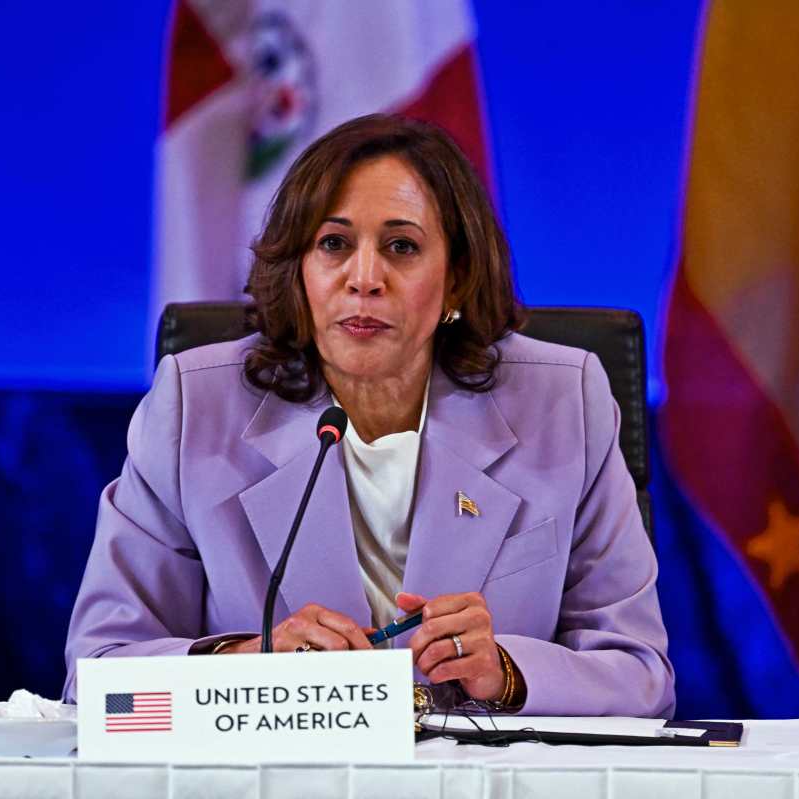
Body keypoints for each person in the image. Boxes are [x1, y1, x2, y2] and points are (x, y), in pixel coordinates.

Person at [63, 114, 674, 716]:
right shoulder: (195, 408)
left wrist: (507, 673)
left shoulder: (563, 402)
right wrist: (247, 663)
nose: (364, 279)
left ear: (457, 279)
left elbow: (641, 675)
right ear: (298, 268)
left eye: (401, 247)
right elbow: (99, 683)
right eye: (333, 244)